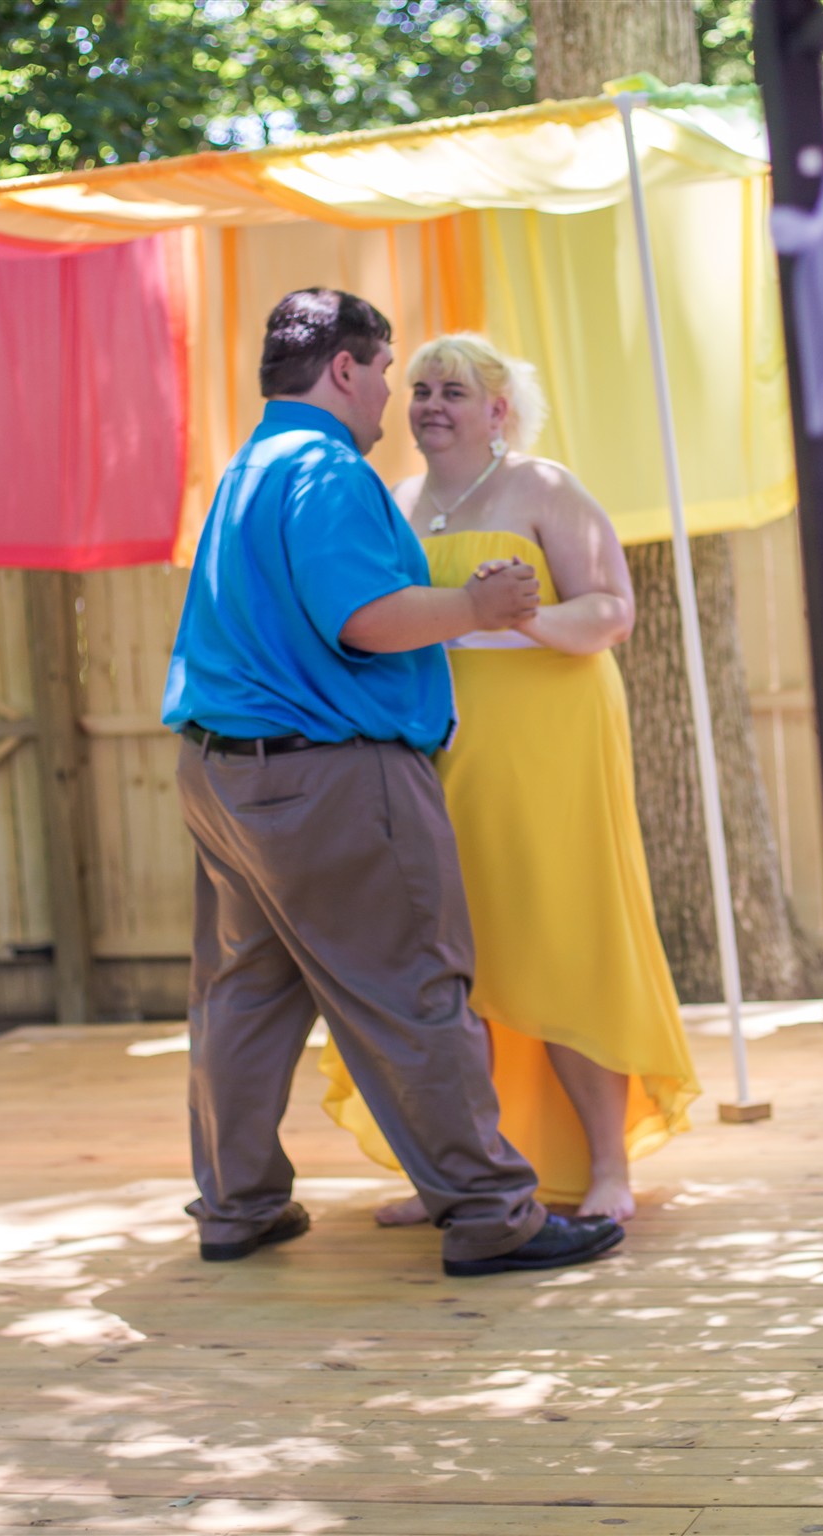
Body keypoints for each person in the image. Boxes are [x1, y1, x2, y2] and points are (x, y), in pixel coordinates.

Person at [161, 289, 625, 1277]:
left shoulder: (247, 468)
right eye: (387, 373)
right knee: (414, 987)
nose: (393, 398)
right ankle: (492, 1214)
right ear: (345, 369)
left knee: (245, 996)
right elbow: (364, 618)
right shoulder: (328, 471)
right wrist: (473, 606)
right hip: (325, 778)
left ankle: (237, 1204)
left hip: (221, 772)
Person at [320, 332, 701, 1224]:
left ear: (497, 410)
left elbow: (611, 611)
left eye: (452, 391)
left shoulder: (544, 488)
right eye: (420, 389)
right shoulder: (398, 501)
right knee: (453, 958)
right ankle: (467, 1174)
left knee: (560, 938)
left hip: (549, 741)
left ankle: (606, 1167)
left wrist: (523, 619)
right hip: (440, 745)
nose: (430, 406)